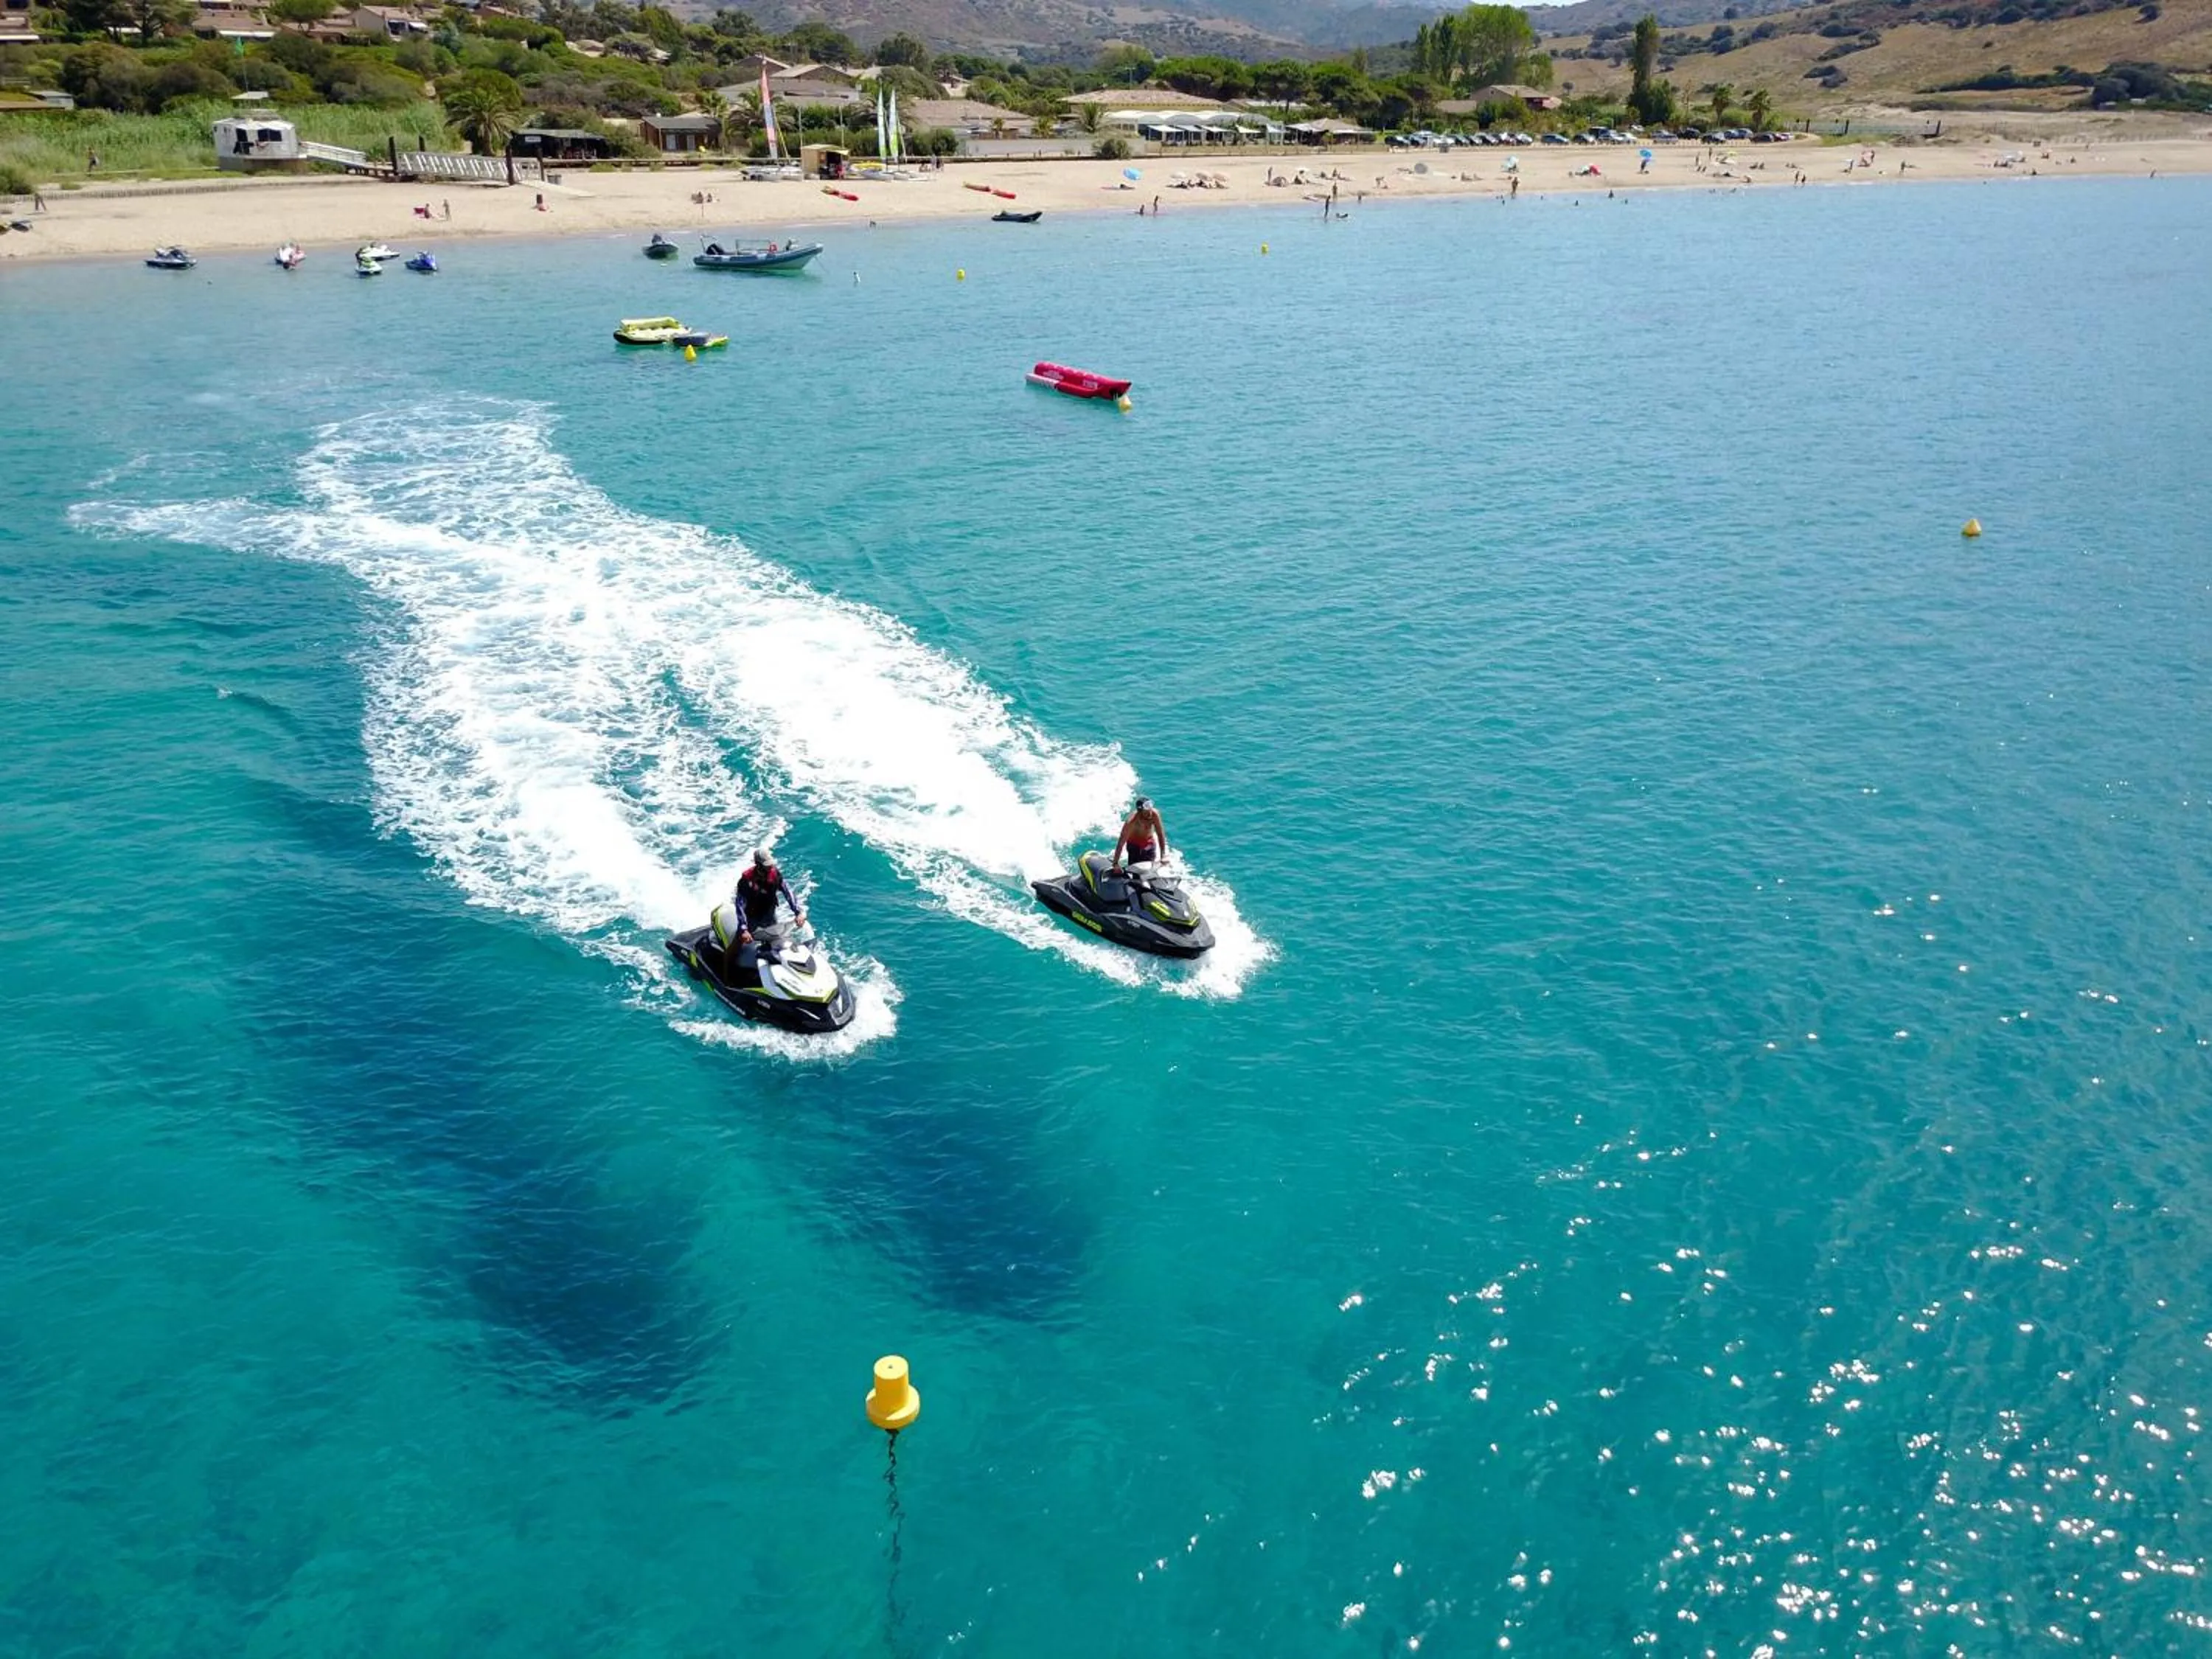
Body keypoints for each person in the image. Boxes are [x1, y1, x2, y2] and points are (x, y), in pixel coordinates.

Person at [734, 848, 805, 946]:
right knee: (738, 943)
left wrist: (798, 912)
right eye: (767, 865)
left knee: (775, 941)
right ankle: (726, 960)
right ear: (758, 865)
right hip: (751, 916)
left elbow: (787, 891)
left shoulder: (775, 874)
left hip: (769, 914)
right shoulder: (747, 880)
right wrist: (743, 929)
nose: (770, 867)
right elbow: (740, 904)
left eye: (771, 864)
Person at [1111, 796, 1169, 874]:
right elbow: (1121, 842)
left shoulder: (1155, 814)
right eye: (1146, 812)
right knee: (1135, 874)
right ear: (1140, 811)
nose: (1150, 814)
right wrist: (1115, 863)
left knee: (1150, 871)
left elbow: (1160, 834)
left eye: (1150, 810)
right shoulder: (1132, 821)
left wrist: (1163, 855)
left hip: (1149, 845)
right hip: (1134, 846)